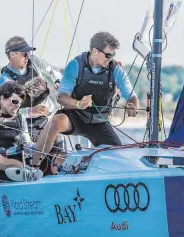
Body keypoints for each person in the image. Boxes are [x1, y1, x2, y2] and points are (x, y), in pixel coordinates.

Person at [32, 32, 139, 167]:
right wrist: (78, 104)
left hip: (99, 122)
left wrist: (132, 106)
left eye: (112, 55)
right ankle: (33, 167)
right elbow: (61, 97)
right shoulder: (76, 65)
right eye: (108, 55)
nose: (110, 59)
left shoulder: (116, 70)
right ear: (95, 51)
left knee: (117, 156)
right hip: (75, 116)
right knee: (56, 121)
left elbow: (132, 96)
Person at [0, 36, 65, 174]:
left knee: (59, 154)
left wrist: (58, 81)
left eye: (28, 52)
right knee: (37, 162)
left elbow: (52, 70)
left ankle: (60, 177)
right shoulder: (5, 79)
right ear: (12, 55)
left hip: (47, 119)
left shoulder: (33, 61)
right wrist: (30, 111)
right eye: (24, 53)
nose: (27, 56)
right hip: (27, 126)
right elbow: (6, 110)